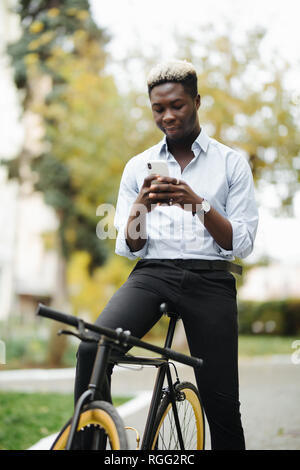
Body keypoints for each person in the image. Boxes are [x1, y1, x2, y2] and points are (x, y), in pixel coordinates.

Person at [75, 60, 259, 450]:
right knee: (93, 347)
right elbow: (130, 246)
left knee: (222, 404)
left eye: (177, 105)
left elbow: (241, 242)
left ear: (196, 101)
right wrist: (142, 205)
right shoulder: (136, 167)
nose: (168, 116)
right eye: (159, 109)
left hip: (211, 279)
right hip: (153, 273)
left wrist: (199, 205)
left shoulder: (231, 163)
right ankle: (89, 445)